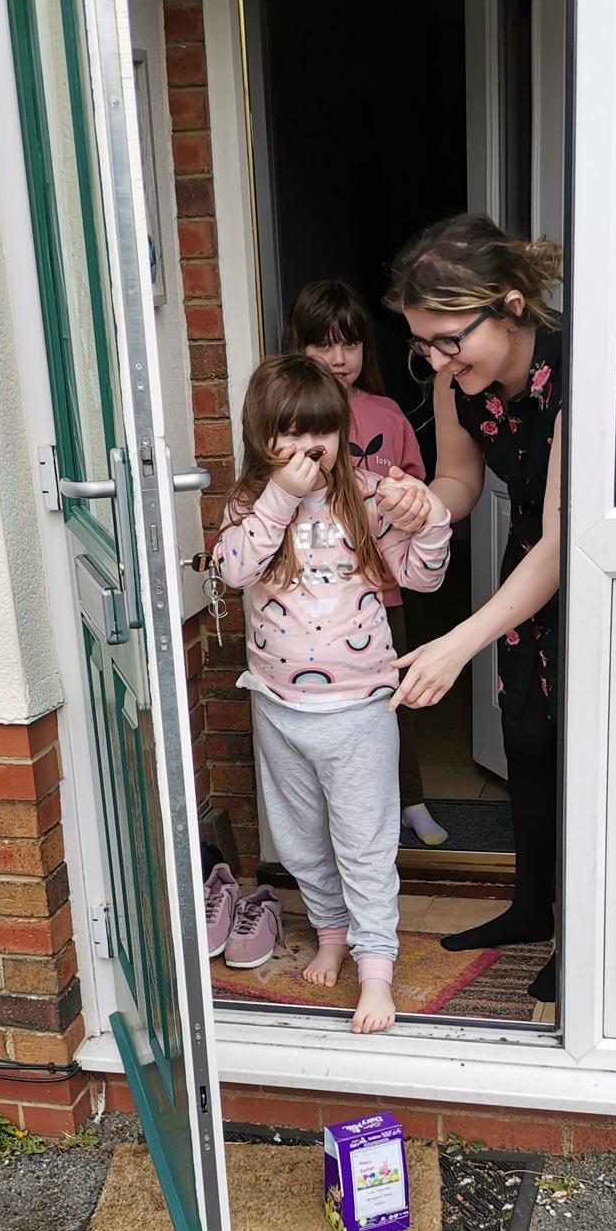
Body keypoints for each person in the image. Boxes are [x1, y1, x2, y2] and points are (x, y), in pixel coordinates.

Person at [385, 213, 616, 1003]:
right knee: (525, 732)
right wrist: (424, 505)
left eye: (448, 341)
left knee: (593, 752)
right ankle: (530, 909)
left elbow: (570, 541)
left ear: (511, 306)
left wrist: (458, 643)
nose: (436, 361)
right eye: (422, 345)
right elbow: (460, 479)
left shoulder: (590, 375)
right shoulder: (455, 379)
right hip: (540, 553)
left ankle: (589, 936)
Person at [212, 355, 451, 1034]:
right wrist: (279, 497)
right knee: (299, 841)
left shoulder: (367, 496)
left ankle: (376, 969)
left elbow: (423, 577)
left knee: (364, 844)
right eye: (289, 433)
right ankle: (331, 931)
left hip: (359, 710)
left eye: (321, 430)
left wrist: (430, 519)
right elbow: (233, 570)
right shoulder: (250, 506)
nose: (308, 447)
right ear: (261, 438)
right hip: (279, 708)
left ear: (342, 431)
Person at [283, 279, 448, 849]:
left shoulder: (386, 413)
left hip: (383, 589)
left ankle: (410, 800)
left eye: (349, 343)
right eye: (322, 344)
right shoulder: (289, 418)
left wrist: (410, 507)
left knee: (394, 700)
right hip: (317, 597)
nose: (338, 358)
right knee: (335, 719)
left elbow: (417, 491)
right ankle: (349, 822)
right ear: (299, 347)